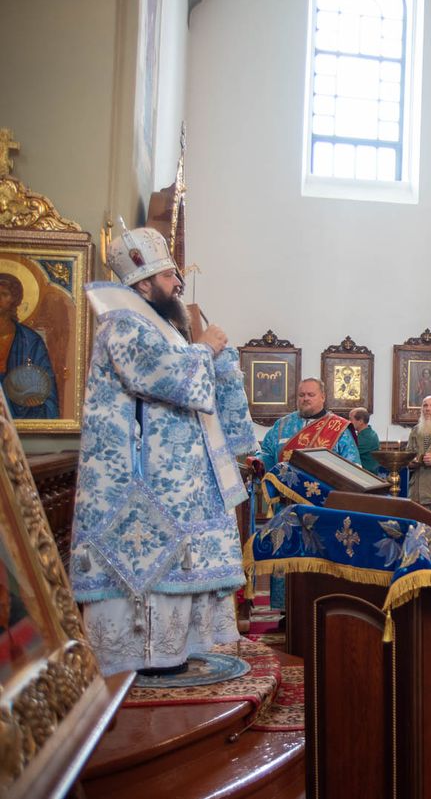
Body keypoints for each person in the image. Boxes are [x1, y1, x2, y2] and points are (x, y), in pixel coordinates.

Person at [70, 226, 255, 676]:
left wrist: (217, 359)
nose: (178, 284)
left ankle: (172, 650)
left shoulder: (161, 326)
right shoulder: (122, 322)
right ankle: (140, 657)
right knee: (150, 574)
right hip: (140, 485)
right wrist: (204, 350)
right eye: (171, 275)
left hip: (176, 485)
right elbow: (156, 375)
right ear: (144, 282)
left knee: (178, 573)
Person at [251, 378, 360, 471]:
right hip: (284, 492)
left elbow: (352, 466)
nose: (306, 398)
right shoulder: (282, 425)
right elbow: (267, 454)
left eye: (311, 395)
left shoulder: (339, 427)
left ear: (323, 397)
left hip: (325, 493)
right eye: (301, 395)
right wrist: (257, 461)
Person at [0, 273, 58, 418]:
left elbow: (46, 385)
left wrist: (37, 400)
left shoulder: (31, 340)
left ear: (15, 299)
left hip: (19, 410)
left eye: (4, 294)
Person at [349, 406, 380, 473]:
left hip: (367, 476)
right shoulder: (367, 433)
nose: (349, 422)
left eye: (351, 419)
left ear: (360, 421)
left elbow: (350, 452)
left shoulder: (367, 437)